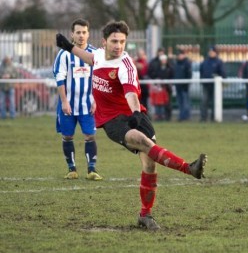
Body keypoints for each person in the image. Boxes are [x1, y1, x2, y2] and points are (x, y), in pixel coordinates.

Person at [55, 20, 207, 231]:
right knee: (140, 140)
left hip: (134, 113)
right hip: (111, 119)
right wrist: (69, 47)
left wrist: (136, 113)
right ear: (104, 42)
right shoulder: (98, 55)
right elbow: (89, 58)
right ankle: (189, 169)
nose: (119, 46)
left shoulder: (125, 65)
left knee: (149, 164)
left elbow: (131, 93)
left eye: (122, 42)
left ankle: (145, 215)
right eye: (114, 41)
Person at [53, 18, 102, 181]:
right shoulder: (64, 54)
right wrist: (65, 101)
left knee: (90, 136)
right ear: (71, 34)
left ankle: (92, 170)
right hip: (68, 104)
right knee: (67, 136)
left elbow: (99, 80)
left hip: (88, 104)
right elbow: (59, 78)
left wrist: (96, 100)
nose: (81, 36)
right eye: (78, 32)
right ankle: (72, 169)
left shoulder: (94, 54)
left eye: (84, 32)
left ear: (88, 34)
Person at [199, 46, 226, 122]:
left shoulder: (219, 62)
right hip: (206, 85)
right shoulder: (205, 62)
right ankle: (203, 118)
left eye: (212, 52)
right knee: (204, 101)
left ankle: (214, 117)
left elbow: (223, 74)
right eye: (210, 52)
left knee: (215, 102)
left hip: (215, 86)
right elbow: (201, 72)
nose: (211, 53)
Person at [148, 47, 174, 121]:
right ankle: (159, 116)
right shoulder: (155, 64)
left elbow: (172, 74)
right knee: (158, 103)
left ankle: (167, 117)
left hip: (167, 87)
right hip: (159, 87)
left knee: (167, 103)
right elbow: (152, 73)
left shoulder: (169, 66)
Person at [174, 49, 192, 121]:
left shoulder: (187, 63)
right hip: (178, 86)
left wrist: (186, 85)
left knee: (185, 102)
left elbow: (189, 75)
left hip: (184, 87)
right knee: (180, 102)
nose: (179, 56)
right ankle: (182, 116)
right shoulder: (177, 63)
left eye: (180, 54)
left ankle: (186, 116)